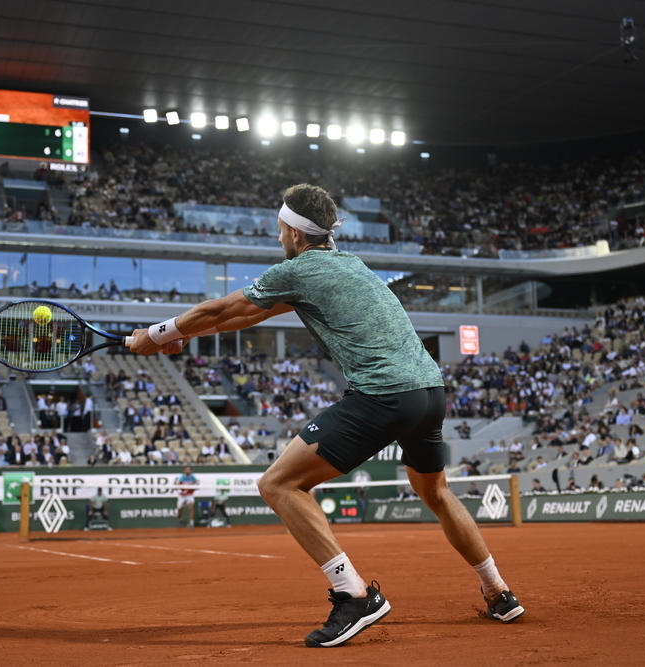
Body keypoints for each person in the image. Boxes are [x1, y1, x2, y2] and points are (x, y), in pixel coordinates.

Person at [128, 184, 524, 646]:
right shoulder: (348, 266)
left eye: (280, 231)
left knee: (277, 484)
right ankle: (498, 590)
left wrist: (154, 335)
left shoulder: (298, 269)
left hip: (383, 395)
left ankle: (354, 594)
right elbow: (247, 316)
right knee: (436, 492)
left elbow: (221, 306)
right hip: (430, 392)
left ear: (295, 234)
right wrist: (186, 337)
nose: (278, 239)